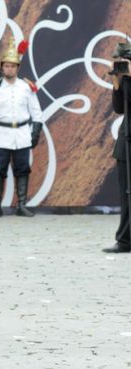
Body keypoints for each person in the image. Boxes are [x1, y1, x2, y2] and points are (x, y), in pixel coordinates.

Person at [0, 37, 42, 218]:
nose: (9, 69)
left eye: (13, 66)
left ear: (18, 68)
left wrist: (35, 132)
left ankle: (21, 204)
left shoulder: (26, 88)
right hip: (1, 134)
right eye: (6, 66)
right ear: (2, 67)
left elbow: (36, 113)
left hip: (21, 133)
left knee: (22, 169)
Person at [103, 56, 131, 253]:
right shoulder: (126, 79)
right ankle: (125, 240)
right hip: (126, 140)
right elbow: (120, 108)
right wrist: (117, 82)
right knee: (126, 194)